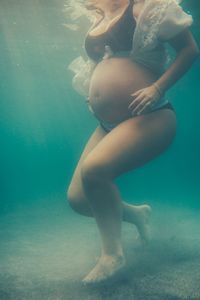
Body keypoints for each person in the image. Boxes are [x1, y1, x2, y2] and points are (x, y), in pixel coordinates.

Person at [67, 0, 199, 285]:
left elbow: (190, 50)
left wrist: (157, 87)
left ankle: (112, 256)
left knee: (95, 171)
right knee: (78, 199)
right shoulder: (98, 16)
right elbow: (103, 62)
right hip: (109, 125)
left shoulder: (145, 8)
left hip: (152, 117)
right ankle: (138, 215)